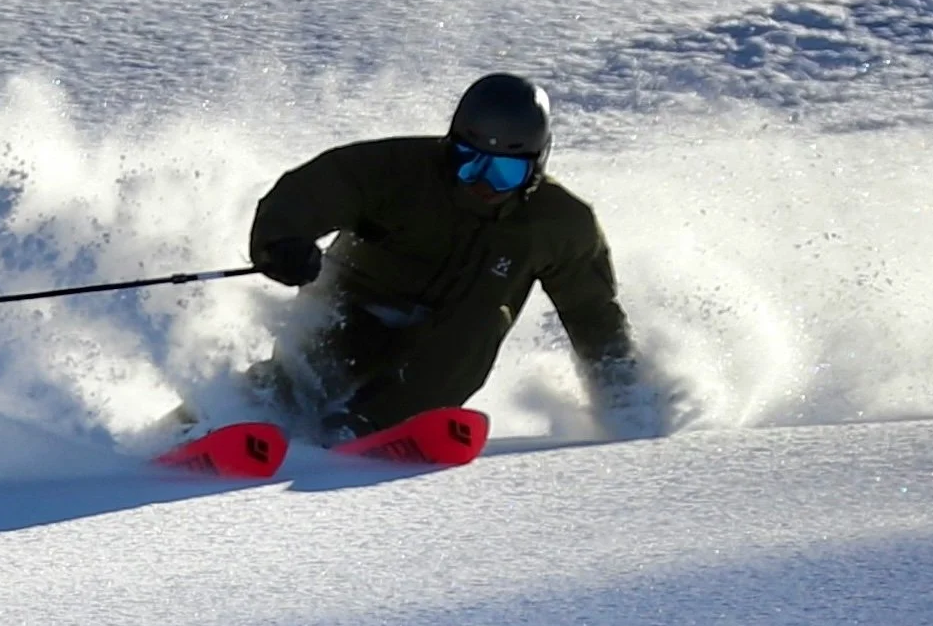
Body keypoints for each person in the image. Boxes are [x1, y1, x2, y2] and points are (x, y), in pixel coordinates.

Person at [245, 72, 651, 444]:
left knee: (486, 316)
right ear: (449, 143)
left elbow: (593, 314)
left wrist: (626, 403)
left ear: (536, 166)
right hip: (353, 310)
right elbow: (311, 192)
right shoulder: (399, 173)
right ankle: (219, 419)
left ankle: (375, 423)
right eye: (467, 161)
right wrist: (282, 245)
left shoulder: (559, 224)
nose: (482, 184)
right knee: (300, 380)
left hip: (443, 351)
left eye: (504, 172)